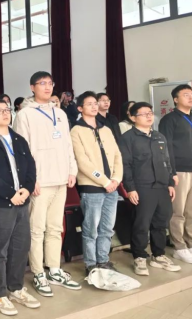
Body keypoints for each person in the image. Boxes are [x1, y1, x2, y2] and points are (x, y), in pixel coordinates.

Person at [13, 72, 81, 297]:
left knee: (55, 228)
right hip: (40, 181)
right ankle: (38, 273)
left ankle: (54, 268)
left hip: (61, 178)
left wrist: (72, 170)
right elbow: (21, 151)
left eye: (50, 83)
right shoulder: (25, 114)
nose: (47, 87)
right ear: (32, 87)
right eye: (42, 83)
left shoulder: (60, 113)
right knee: (37, 230)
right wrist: (30, 180)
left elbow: (68, 145)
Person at [0, 99, 40, 316]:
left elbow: (31, 168)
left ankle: (16, 288)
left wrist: (27, 190)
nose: (5, 113)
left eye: (7, 110)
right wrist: (10, 194)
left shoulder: (19, 140)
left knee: (21, 247)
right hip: (0, 204)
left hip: (22, 201)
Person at [120, 102, 181, 276]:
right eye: (143, 114)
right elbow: (126, 165)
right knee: (142, 223)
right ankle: (139, 257)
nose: (149, 116)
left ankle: (158, 255)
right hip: (142, 187)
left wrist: (170, 183)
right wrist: (130, 188)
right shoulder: (128, 138)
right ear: (133, 118)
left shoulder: (159, 136)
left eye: (150, 113)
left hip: (162, 186)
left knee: (161, 223)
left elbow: (167, 162)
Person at [71, 92, 123, 275]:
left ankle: (103, 260)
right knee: (91, 229)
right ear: (80, 108)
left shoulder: (106, 129)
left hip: (112, 187)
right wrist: (104, 181)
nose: (94, 106)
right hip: (92, 187)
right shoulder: (76, 130)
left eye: (95, 103)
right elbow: (82, 162)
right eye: (89, 104)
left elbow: (117, 156)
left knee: (107, 228)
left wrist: (116, 179)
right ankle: (91, 263)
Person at [159, 85, 192, 264]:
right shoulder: (169, 120)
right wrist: (171, 172)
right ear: (175, 99)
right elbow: (167, 148)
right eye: (186, 95)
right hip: (180, 171)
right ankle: (179, 247)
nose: (191, 97)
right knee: (178, 211)